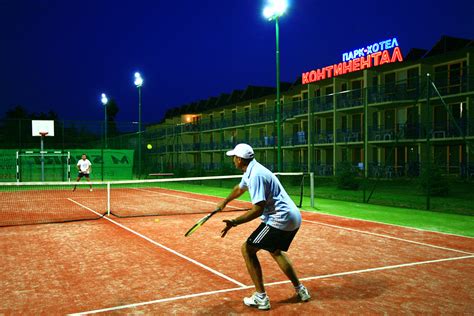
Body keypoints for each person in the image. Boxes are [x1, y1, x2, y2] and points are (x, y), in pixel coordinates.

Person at [218, 143, 310, 310]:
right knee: (275, 250)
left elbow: (257, 209)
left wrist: (235, 222)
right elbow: (239, 188)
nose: (233, 160)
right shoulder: (251, 169)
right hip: (293, 217)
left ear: (239, 159)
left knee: (247, 249)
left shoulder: (256, 176)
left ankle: (261, 297)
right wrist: (224, 202)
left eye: (234, 158)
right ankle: (301, 289)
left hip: (279, 218)